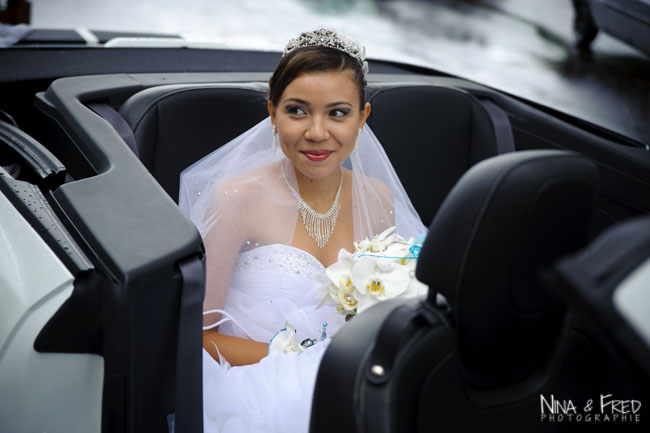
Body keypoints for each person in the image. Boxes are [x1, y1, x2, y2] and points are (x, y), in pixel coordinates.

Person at [179, 28, 426, 433]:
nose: (316, 132)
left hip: (350, 387)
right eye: (297, 110)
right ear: (272, 113)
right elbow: (194, 337)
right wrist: (300, 360)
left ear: (362, 117)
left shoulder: (377, 197)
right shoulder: (238, 197)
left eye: (337, 112)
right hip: (250, 391)